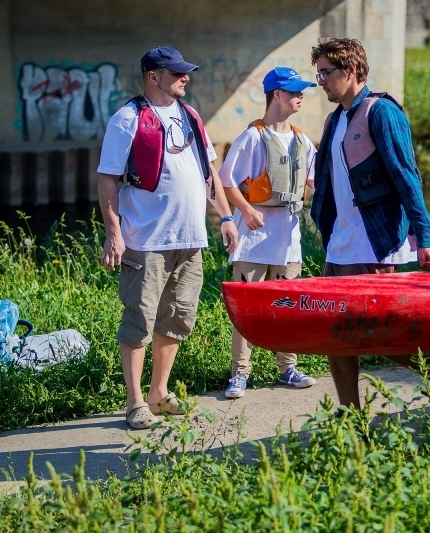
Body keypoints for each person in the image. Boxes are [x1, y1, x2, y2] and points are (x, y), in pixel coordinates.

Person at [97, 46, 238, 429]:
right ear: (152, 77)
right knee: (139, 321)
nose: (185, 77)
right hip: (146, 241)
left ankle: (159, 393)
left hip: (190, 240)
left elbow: (209, 170)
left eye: (185, 72)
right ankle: (135, 402)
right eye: (175, 73)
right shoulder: (127, 119)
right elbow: (107, 178)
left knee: (177, 320)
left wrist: (225, 216)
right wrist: (114, 234)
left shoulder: (190, 115)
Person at [309, 37, 430, 409]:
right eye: (317, 74)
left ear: (351, 70)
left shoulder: (381, 112)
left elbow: (406, 176)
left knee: (380, 335)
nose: (321, 82)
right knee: (334, 334)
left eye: (326, 73)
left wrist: (425, 236)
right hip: (341, 245)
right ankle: (350, 415)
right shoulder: (334, 119)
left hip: (376, 243)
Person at [218, 67, 318, 398]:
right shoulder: (251, 138)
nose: (300, 96)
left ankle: (287, 368)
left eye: (301, 91)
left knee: (288, 307)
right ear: (277, 94)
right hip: (253, 239)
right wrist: (246, 211)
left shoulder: (303, 141)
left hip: (288, 238)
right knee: (247, 309)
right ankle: (239, 374)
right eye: (294, 92)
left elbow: (315, 182)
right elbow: (225, 180)